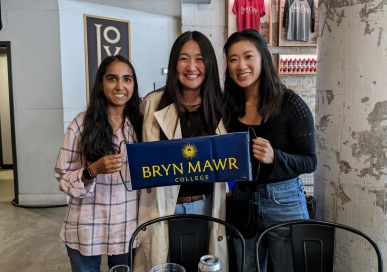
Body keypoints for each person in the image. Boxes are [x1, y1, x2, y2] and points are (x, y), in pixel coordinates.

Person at [223, 29, 317, 272]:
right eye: (233, 59)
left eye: (247, 56)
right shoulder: (228, 106)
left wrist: (276, 156)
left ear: (263, 57)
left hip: (283, 201)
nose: (240, 65)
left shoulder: (290, 103)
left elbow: (310, 161)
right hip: (241, 200)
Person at [133, 31, 228, 271]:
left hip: (208, 205)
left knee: (204, 264)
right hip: (162, 206)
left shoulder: (223, 107)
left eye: (199, 58)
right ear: (174, 63)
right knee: (164, 263)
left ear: (209, 64)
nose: (192, 66)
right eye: (184, 58)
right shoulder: (152, 104)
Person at [54, 55, 142, 272]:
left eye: (127, 79)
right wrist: (92, 170)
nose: (120, 86)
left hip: (127, 226)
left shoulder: (140, 126)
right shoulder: (81, 124)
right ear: (101, 84)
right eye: (112, 79)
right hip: (86, 227)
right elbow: (62, 177)